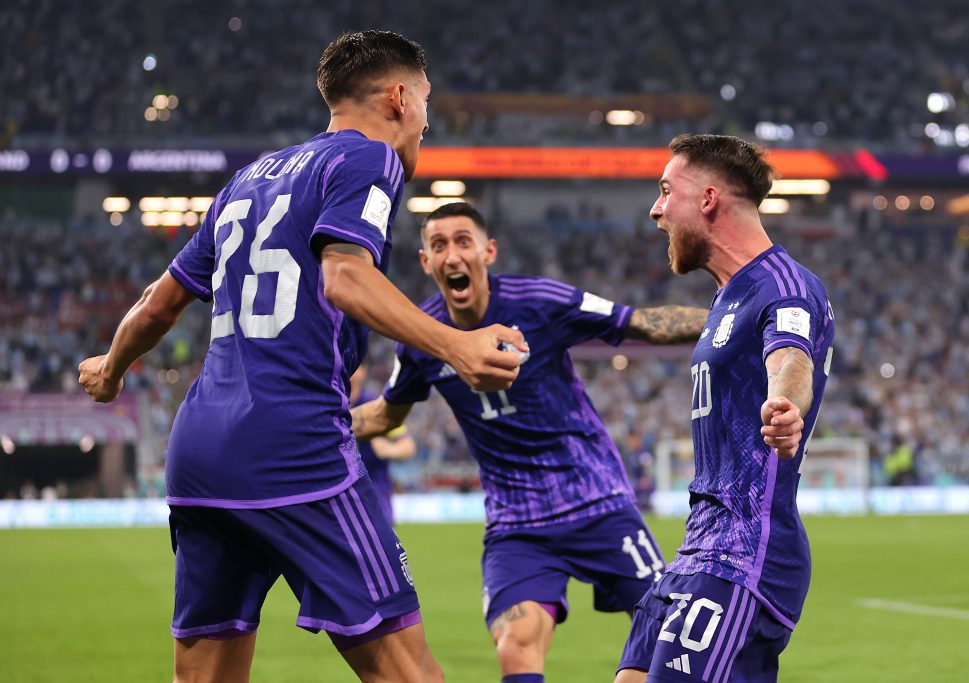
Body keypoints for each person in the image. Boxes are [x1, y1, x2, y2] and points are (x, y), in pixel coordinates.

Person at [78, 30, 526, 683]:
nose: (428, 122)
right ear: (398, 97)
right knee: (411, 673)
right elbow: (342, 277)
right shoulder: (368, 161)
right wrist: (456, 344)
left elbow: (158, 304)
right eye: (427, 102)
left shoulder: (245, 181)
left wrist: (112, 367)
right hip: (295, 446)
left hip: (200, 453)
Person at [351, 201, 708, 683]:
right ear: (426, 262)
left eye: (463, 242)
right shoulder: (421, 337)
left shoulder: (540, 301)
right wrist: (307, 426)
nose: (452, 255)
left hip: (596, 500)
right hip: (516, 524)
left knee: (668, 636)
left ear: (487, 251)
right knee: (515, 647)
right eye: (439, 245)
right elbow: (384, 414)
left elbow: (641, 322)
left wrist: (733, 320)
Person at [615, 134, 835, 683]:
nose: (656, 209)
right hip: (699, 547)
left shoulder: (784, 285)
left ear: (708, 198)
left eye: (667, 191)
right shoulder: (726, 297)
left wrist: (786, 404)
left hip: (745, 554)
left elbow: (792, 358)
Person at [349, 364, 417, 525]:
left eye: (355, 366)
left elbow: (408, 447)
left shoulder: (377, 406)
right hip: (340, 492)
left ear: (363, 373)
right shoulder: (329, 403)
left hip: (375, 491)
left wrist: (388, 449)